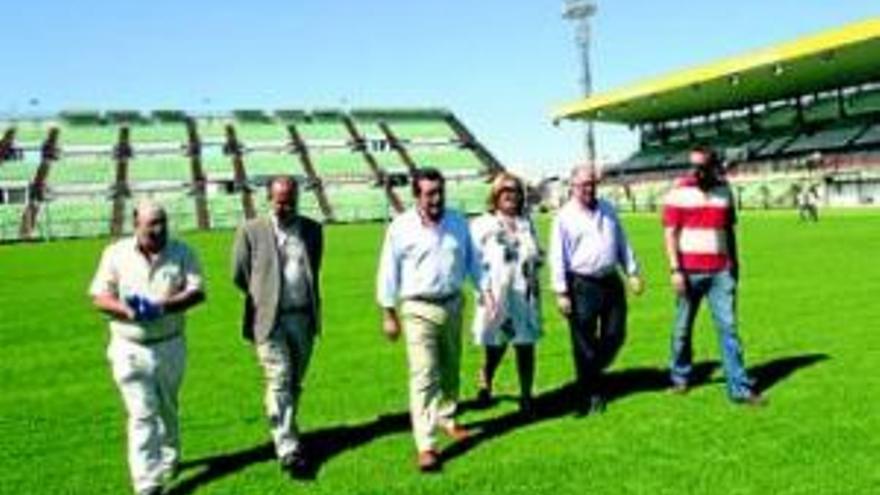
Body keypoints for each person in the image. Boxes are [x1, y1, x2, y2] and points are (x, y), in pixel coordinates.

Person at [376, 167, 495, 472]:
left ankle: (447, 417)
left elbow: (472, 260)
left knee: (450, 369)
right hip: (417, 309)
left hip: (453, 304)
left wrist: (487, 291)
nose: (436, 199)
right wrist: (388, 313)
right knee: (424, 374)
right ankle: (426, 445)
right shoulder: (400, 227)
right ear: (416, 195)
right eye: (429, 193)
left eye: (440, 192)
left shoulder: (457, 221)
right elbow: (387, 271)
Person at [89, 200, 205, 495]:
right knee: (141, 413)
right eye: (152, 224)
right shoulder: (115, 254)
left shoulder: (182, 252)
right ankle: (147, 483)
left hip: (170, 345)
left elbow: (197, 292)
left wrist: (164, 306)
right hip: (129, 347)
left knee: (167, 407)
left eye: (163, 222)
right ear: (136, 224)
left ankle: (170, 456)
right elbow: (99, 297)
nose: (159, 229)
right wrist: (127, 311)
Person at [232, 175, 323, 478]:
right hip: (269, 319)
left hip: (303, 318)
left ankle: (288, 432)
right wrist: (265, 296)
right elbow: (239, 273)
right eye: (279, 200)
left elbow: (314, 268)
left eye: (290, 201)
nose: (285, 206)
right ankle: (287, 449)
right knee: (279, 379)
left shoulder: (312, 229)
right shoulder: (251, 230)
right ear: (269, 198)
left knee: (294, 382)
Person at [662, 147, 764, 405]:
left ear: (714, 165)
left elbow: (729, 232)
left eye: (702, 166)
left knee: (729, 329)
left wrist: (734, 264)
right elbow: (670, 234)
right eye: (693, 166)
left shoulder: (724, 192)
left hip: (721, 272)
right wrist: (675, 270)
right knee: (682, 329)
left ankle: (739, 388)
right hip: (688, 272)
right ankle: (680, 378)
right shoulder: (677, 194)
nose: (697, 171)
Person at [549, 167, 644, 416]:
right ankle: (590, 393)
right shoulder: (564, 217)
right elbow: (557, 256)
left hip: (611, 281)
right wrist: (561, 292)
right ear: (573, 186)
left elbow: (621, 241)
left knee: (616, 334)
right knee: (584, 344)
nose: (588, 189)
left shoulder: (607, 208)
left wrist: (632, 272)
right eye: (583, 185)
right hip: (582, 285)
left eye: (592, 184)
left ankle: (591, 375)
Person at [470, 172, 542, 417]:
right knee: (496, 345)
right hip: (496, 295)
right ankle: (486, 376)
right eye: (505, 190)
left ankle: (526, 396)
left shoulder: (527, 223)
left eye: (515, 190)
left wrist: (536, 261)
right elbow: (473, 262)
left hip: (525, 293)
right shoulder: (482, 224)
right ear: (495, 194)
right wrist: (484, 291)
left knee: (526, 344)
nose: (510, 194)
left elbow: (535, 252)